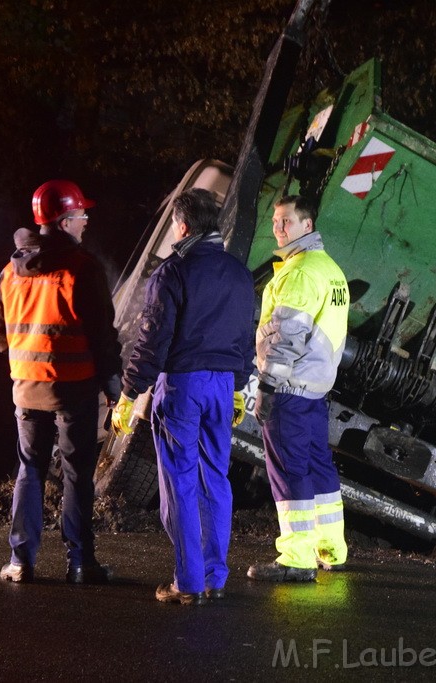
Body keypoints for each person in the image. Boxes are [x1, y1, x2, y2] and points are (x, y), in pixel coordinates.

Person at [112, 188, 254, 606]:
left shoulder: (173, 272)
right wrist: (240, 385)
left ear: (183, 224)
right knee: (216, 479)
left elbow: (152, 339)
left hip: (183, 387)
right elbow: (246, 336)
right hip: (223, 387)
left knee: (180, 484)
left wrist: (129, 392)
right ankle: (214, 575)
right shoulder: (239, 273)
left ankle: (187, 582)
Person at [0, 179, 122, 584]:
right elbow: (102, 334)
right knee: (77, 472)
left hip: (26, 388)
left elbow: (0, 335)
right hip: (73, 387)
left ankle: (20, 561)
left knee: (29, 469)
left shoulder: (8, 272)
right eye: (82, 215)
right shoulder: (82, 268)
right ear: (66, 221)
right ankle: (81, 563)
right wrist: (113, 383)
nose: (85, 223)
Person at [247, 194, 350, 583]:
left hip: (289, 388)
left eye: (286, 221)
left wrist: (268, 387)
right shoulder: (330, 270)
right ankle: (331, 548)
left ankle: (296, 558)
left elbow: (285, 336)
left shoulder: (300, 273)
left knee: (289, 470)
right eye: (275, 221)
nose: (279, 228)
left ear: (307, 225)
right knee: (318, 466)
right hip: (315, 388)